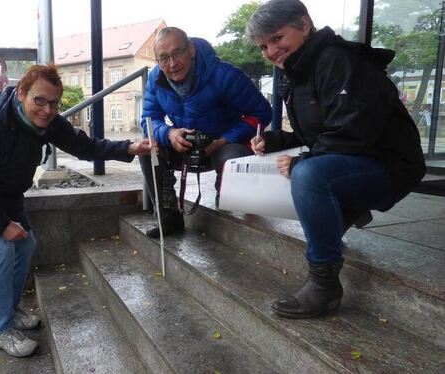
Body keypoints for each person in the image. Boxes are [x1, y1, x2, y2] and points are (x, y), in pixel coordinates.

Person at [0, 64, 152, 357]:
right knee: (3, 247)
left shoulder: (48, 120)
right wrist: (1, 224)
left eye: (53, 103)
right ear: (21, 94)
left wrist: (129, 148)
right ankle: (0, 329)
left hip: (8, 193)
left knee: (26, 245)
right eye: (38, 100)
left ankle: (11, 310)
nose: (46, 109)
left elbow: (84, 146)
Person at [246, 0, 425, 319]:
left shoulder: (337, 60)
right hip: (358, 161)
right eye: (263, 46)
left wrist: (304, 162)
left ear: (304, 25)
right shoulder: (298, 72)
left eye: (276, 38)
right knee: (309, 172)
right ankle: (349, 207)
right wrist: (274, 140)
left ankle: (324, 285)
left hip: (390, 165)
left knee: (309, 176)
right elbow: (318, 132)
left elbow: (353, 129)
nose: (271, 51)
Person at [140, 26, 272, 238]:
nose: (172, 64)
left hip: (223, 147)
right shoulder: (156, 80)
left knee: (233, 157)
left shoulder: (226, 75)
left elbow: (262, 113)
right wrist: (169, 134)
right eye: (163, 58)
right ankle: (169, 217)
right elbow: (148, 119)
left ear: (190, 49)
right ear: (157, 61)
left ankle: (227, 195)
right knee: (148, 149)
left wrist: (225, 139)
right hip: (183, 148)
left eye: (177, 53)